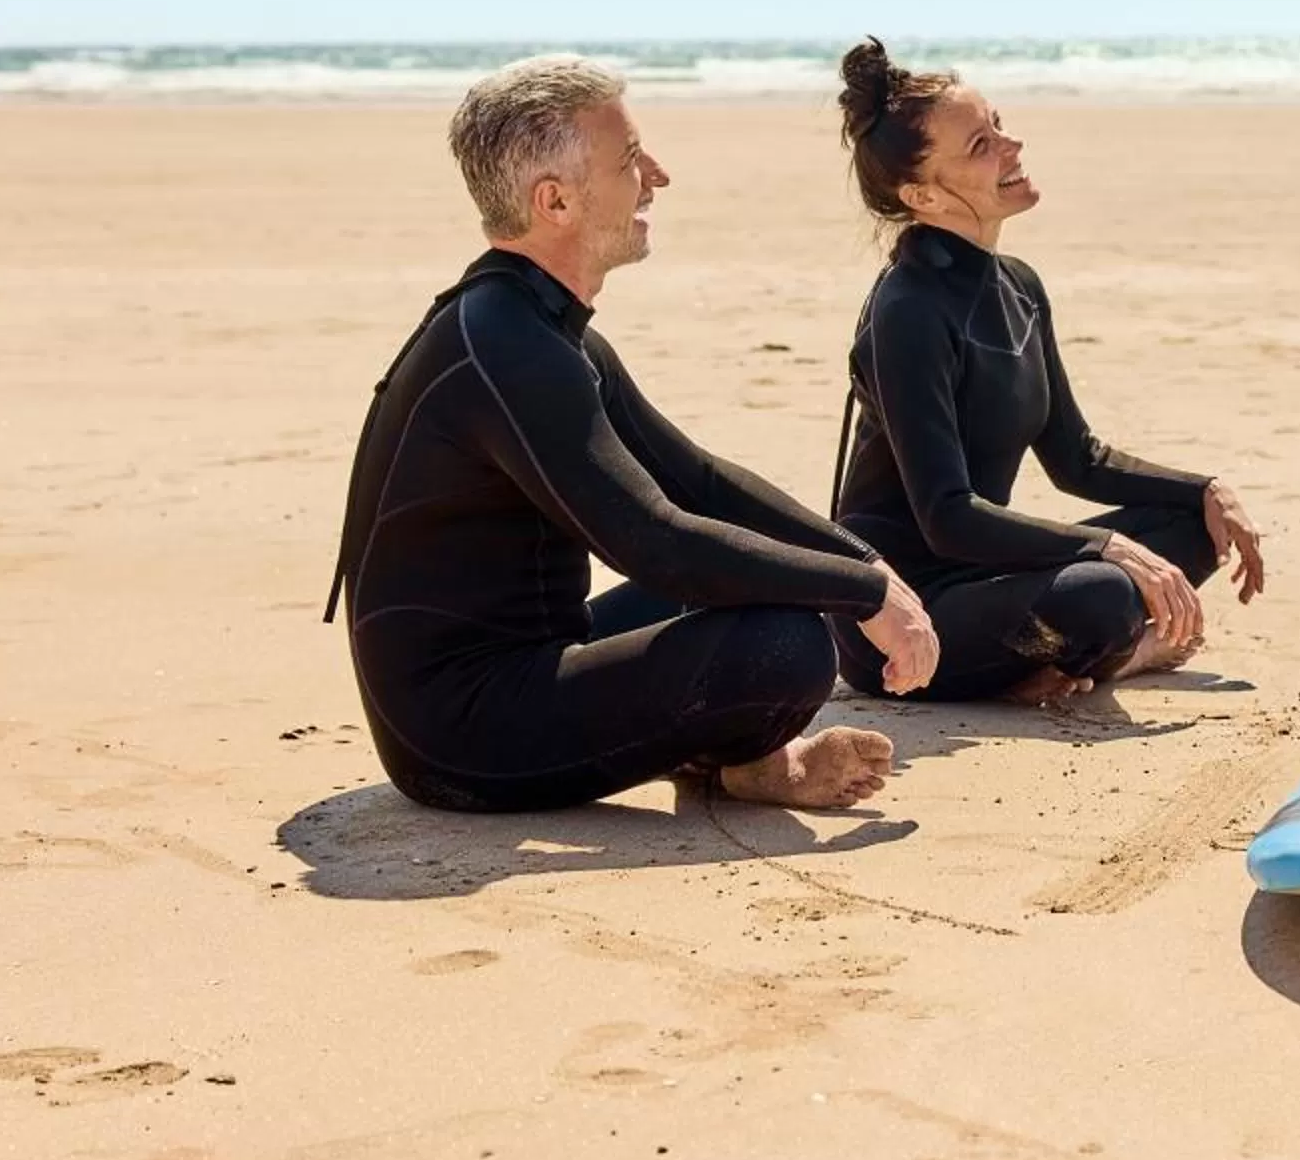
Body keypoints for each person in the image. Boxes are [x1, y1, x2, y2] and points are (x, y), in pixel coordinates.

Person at [322, 54, 940, 812]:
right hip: (457, 736)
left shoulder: (540, 325)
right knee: (785, 645)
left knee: (778, 581)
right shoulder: (506, 346)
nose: (658, 175)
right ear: (554, 201)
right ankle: (746, 762)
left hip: (535, 654)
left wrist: (865, 563)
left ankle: (733, 760)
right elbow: (657, 543)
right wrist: (866, 593)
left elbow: (701, 482)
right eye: (631, 159)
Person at [825, 39, 1268, 704]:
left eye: (998, 125)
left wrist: (1205, 488)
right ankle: (1119, 654)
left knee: (1192, 529)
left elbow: (1077, 459)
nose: (1013, 144)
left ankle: (1064, 664)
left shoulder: (1019, 286)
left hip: (989, 576)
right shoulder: (908, 310)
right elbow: (947, 517)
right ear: (922, 193)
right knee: (1102, 593)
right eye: (981, 145)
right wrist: (1109, 547)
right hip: (901, 622)